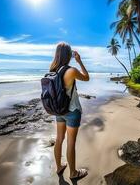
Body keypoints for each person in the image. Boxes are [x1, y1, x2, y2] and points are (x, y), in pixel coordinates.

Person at [50, 42, 89, 180]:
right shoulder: (71, 71)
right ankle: (73, 173)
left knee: (59, 139)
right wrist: (80, 61)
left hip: (59, 110)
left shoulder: (52, 70)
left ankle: (59, 167)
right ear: (69, 55)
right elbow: (86, 77)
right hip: (72, 111)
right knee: (71, 143)